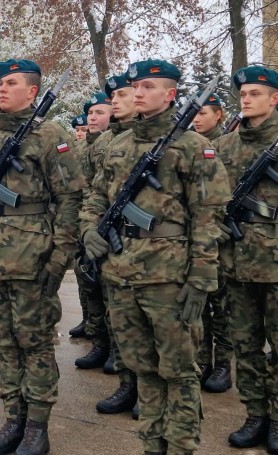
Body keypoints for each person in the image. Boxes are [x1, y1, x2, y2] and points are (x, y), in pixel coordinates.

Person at [81, 59, 230, 455]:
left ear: (170, 94)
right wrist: (89, 230)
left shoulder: (194, 147)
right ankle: (152, 445)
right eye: (135, 88)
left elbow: (208, 217)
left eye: (148, 87)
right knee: (142, 368)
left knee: (178, 372)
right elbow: (96, 196)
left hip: (169, 278)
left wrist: (201, 278)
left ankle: (180, 447)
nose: (138, 93)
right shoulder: (117, 144)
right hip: (121, 272)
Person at [0, 59, 83, 455]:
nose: (1, 90)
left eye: (11, 83)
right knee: (4, 343)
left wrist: (58, 261)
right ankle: (14, 418)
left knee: (35, 344)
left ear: (32, 91)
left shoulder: (52, 136)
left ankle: (37, 427)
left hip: (33, 260)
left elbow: (71, 201)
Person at [215, 65, 278, 452]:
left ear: (274, 98)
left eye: (256, 93)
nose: (247, 99)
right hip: (236, 261)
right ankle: (255, 414)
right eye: (243, 93)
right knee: (246, 346)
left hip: (275, 263)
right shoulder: (225, 146)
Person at [84, 72, 140, 418]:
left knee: (157, 336)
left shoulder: (177, 141)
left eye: (122, 94)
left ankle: (149, 394)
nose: (115, 100)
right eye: (113, 95)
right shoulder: (108, 144)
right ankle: (127, 385)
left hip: (159, 254)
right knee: (122, 324)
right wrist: (89, 227)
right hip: (115, 248)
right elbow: (95, 191)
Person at [190, 92, 234, 394]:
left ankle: (222, 364)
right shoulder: (190, 147)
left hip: (228, 237)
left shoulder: (230, 144)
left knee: (223, 304)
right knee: (200, 303)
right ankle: (202, 360)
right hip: (199, 236)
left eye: (203, 113)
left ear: (219, 115)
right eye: (194, 113)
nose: (197, 118)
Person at [73, 92, 113, 368]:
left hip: (108, 224)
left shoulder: (114, 145)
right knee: (89, 282)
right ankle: (98, 341)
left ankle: (116, 351)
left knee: (111, 290)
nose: (92, 118)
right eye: (91, 113)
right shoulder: (84, 147)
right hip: (84, 221)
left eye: (99, 112)